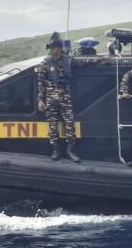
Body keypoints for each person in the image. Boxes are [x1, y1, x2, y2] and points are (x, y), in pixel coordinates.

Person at [36, 32, 106, 162]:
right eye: (50, 49)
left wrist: (102, 58)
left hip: (65, 99)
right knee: (52, 125)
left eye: (54, 48)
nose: (52, 51)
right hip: (51, 99)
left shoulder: (68, 60)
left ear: (59, 48)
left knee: (70, 124)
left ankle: (70, 150)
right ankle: (56, 150)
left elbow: (85, 62)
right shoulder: (45, 63)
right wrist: (40, 100)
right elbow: (40, 82)